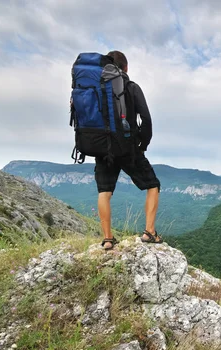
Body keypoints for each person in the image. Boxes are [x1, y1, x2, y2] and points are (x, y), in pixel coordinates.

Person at [96, 50, 162, 250]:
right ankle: (149, 232)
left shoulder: (95, 89)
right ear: (125, 68)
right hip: (127, 147)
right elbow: (147, 119)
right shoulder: (131, 87)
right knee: (153, 184)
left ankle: (108, 239)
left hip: (101, 148)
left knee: (104, 191)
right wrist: (143, 144)